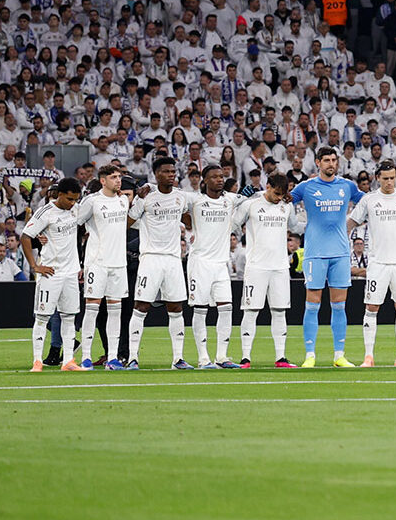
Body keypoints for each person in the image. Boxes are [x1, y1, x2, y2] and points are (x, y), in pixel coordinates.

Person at [290, 146, 365, 368]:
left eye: (334, 160)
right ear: (318, 163)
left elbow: (369, 203)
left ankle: (339, 355)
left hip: (341, 254)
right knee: (312, 305)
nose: (331, 163)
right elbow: (283, 202)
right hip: (315, 253)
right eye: (327, 160)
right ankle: (310, 355)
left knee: (339, 305)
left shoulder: (347, 186)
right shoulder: (306, 187)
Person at [349, 164, 396, 366]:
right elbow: (351, 222)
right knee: (371, 307)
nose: (390, 182)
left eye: (393, 178)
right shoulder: (369, 199)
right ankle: (368, 356)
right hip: (378, 263)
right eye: (386, 178)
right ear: (377, 178)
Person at [128, 156, 194, 370]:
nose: (171, 175)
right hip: (150, 258)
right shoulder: (146, 196)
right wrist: (137, 199)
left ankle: (178, 359)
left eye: (173, 171)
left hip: (174, 259)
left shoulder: (180, 197)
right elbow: (127, 223)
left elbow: (188, 219)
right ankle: (132, 358)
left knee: (176, 307)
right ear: (156, 174)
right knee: (141, 306)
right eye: (166, 171)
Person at [19, 179, 88, 372]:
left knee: (69, 317)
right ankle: (37, 361)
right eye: (69, 199)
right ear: (59, 194)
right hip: (51, 273)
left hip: (71, 273)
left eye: (75, 199)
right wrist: (34, 266)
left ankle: (68, 361)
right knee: (42, 317)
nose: (72, 203)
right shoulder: (45, 213)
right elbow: (25, 236)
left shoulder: (76, 209)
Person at [234, 174, 298, 368]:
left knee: (279, 311)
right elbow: (234, 222)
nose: (279, 198)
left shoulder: (286, 205)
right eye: (276, 193)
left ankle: (281, 357)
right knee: (251, 310)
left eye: (282, 195)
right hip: (256, 266)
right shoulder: (251, 204)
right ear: (268, 186)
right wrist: (239, 199)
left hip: (280, 266)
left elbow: (294, 225)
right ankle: (245, 357)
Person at [73, 165, 133, 370]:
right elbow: (75, 223)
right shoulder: (92, 201)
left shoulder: (123, 200)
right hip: (97, 263)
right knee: (92, 310)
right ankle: (87, 357)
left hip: (119, 264)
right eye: (114, 177)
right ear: (103, 181)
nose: (118, 181)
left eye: (119, 177)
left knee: (115, 311)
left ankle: (113, 357)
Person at [182, 164, 241, 369]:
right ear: (204, 181)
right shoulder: (194, 200)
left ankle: (222, 357)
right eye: (214, 177)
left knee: (226, 309)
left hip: (221, 264)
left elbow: (256, 196)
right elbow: (170, 194)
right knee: (201, 309)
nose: (219, 179)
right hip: (200, 263)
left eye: (222, 176)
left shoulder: (230, 200)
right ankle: (203, 358)